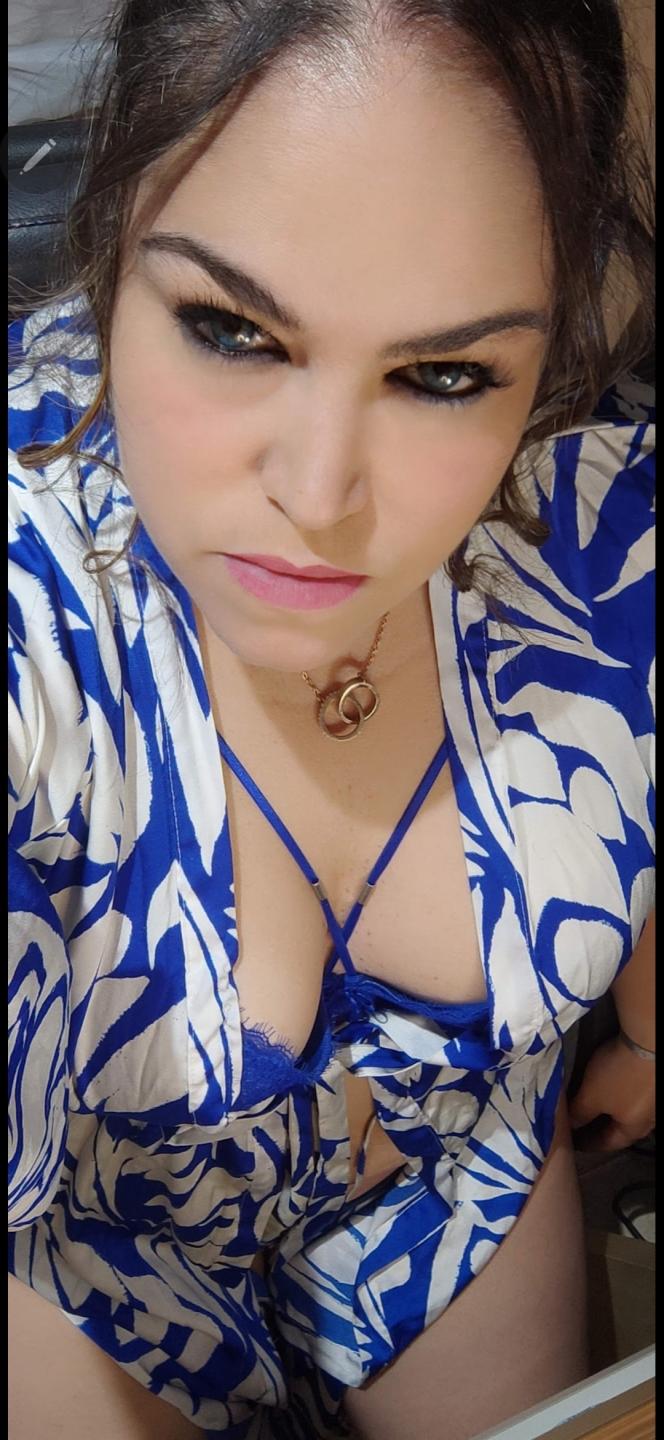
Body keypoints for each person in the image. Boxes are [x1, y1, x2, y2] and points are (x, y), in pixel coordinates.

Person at [8, 3, 655, 1438]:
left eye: (445, 376)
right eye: (231, 331)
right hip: (91, 1259)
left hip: (456, 1167)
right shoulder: (30, 609)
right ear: (111, 248)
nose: (318, 496)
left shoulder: (598, 535)